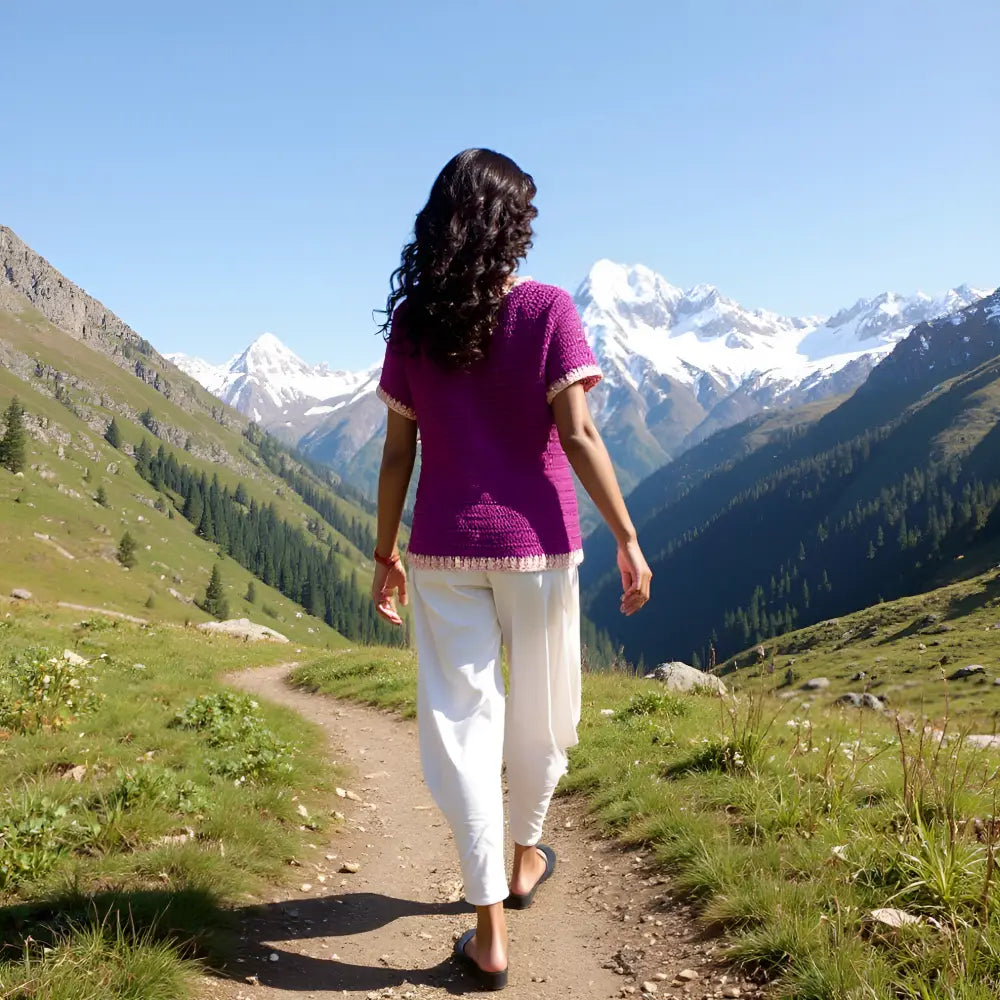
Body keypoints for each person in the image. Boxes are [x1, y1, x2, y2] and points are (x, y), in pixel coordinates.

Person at [371, 148, 652, 991]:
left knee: (461, 725)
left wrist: (385, 553)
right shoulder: (547, 310)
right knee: (541, 712)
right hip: (538, 548)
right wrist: (628, 537)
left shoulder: (416, 323)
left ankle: (489, 925)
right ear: (510, 224)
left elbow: (396, 454)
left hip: (444, 547)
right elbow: (578, 435)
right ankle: (526, 857)